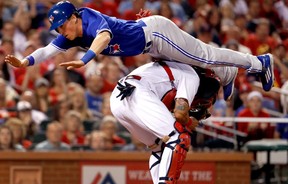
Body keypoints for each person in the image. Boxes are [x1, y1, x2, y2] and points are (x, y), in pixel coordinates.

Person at [4, 1, 274, 101]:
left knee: (205, 55)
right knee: (195, 66)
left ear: (73, 17)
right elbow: (45, 51)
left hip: (156, 34)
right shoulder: (70, 34)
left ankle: (259, 62)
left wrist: (85, 60)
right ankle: (226, 74)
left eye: (63, 25)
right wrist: (24, 62)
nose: (61, 32)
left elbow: (104, 36)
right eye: (59, 28)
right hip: (150, 44)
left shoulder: (88, 17)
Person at [110, 60, 218, 184]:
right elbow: (180, 114)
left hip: (120, 100)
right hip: (137, 92)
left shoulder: (177, 73)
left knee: (160, 146)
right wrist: (189, 121)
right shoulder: (192, 75)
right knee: (180, 137)